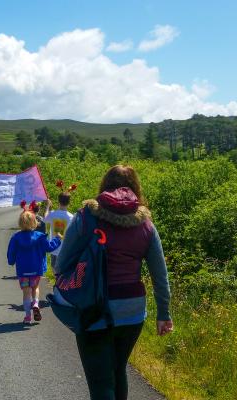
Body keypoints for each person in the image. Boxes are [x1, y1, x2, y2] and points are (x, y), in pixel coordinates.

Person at [55, 165, 173, 400]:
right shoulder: (146, 224)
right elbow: (160, 275)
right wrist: (164, 314)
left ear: (104, 185)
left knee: (100, 381)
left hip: (93, 308)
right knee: (118, 370)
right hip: (132, 311)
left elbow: (61, 264)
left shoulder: (86, 216)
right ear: (135, 188)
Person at [7, 210, 61, 324]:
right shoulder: (40, 236)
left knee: (26, 292)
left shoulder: (16, 237)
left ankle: (27, 316)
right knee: (35, 288)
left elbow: (11, 252)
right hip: (36, 269)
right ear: (34, 222)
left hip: (23, 270)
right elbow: (49, 248)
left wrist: (11, 261)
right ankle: (36, 304)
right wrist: (57, 239)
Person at [44, 193, 74, 271]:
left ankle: (57, 282)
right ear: (69, 202)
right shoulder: (71, 217)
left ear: (58, 201)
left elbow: (45, 219)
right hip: (65, 248)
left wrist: (47, 207)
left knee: (54, 269)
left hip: (54, 247)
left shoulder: (53, 214)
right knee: (63, 270)